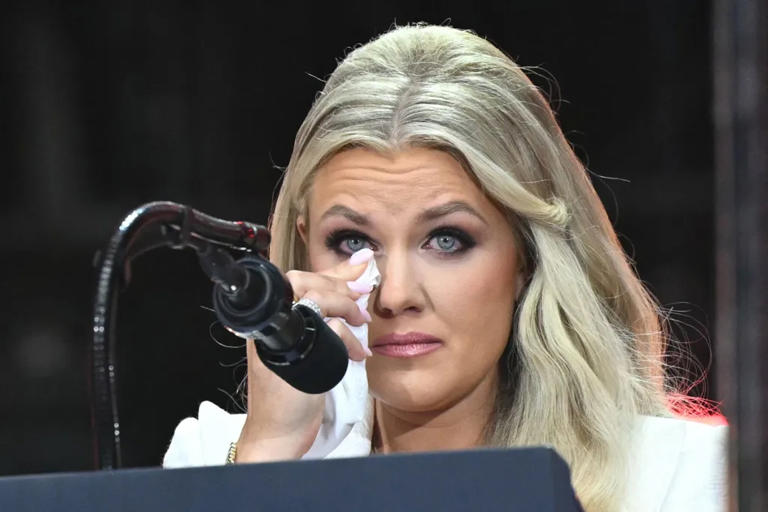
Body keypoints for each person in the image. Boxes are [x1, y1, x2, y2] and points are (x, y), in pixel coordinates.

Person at [163, 24, 727, 511]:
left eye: (447, 240)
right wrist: (266, 460)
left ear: (526, 257)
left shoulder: (677, 479)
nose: (395, 295)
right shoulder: (217, 461)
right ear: (306, 248)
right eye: (353, 241)